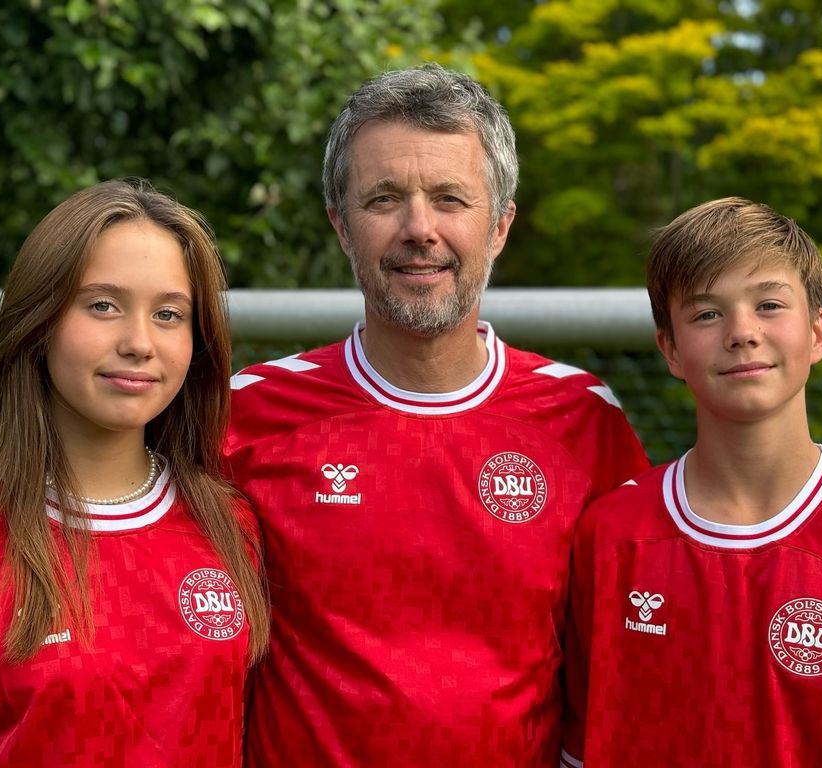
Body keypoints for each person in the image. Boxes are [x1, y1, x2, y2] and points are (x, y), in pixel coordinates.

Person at [222, 63, 649, 766]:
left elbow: (622, 661)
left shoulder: (580, 418)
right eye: (385, 198)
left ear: (501, 226)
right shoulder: (252, 414)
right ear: (341, 225)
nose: (419, 229)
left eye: (450, 198)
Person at [561, 197, 822, 767]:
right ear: (669, 347)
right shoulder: (609, 534)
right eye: (706, 314)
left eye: (768, 304)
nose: (742, 332)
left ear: (817, 332)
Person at [0, 179, 269, 767]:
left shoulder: (229, 525)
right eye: (103, 305)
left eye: (168, 314)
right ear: (41, 320)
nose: (138, 342)